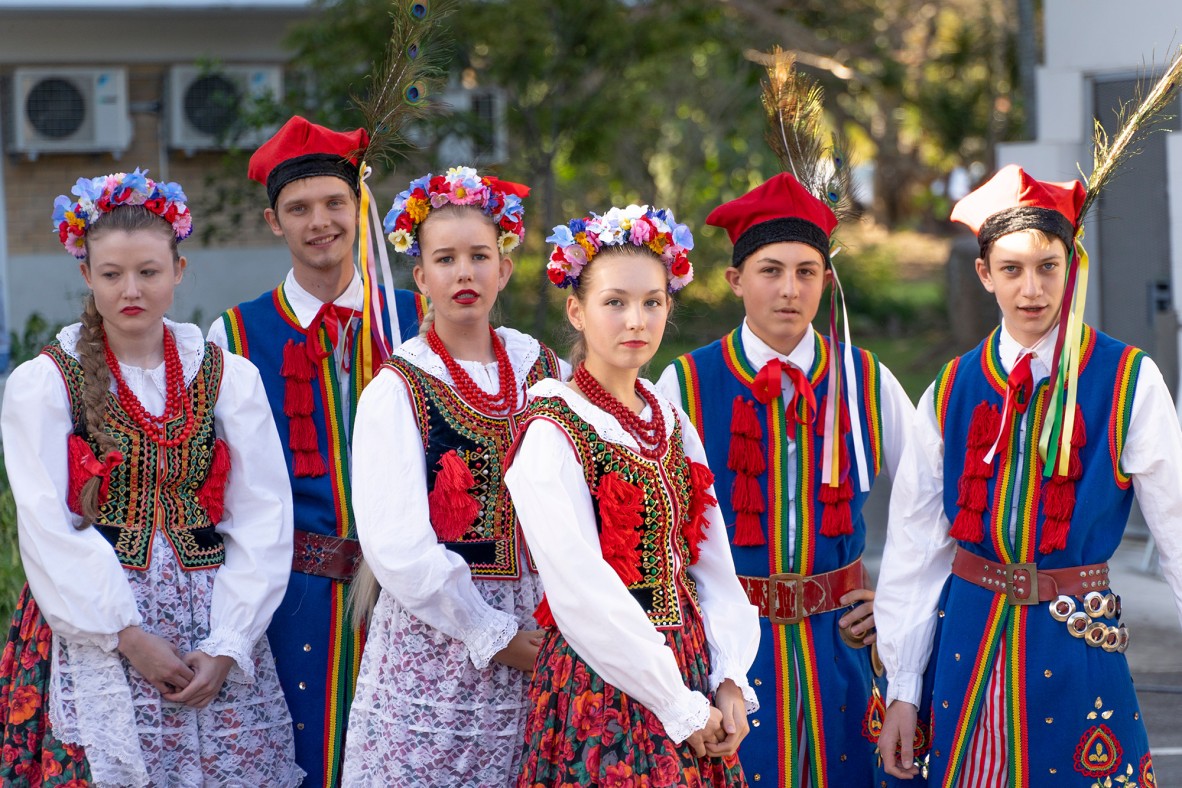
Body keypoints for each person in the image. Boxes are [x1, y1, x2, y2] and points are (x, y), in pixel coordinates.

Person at [875, 164, 1182, 787]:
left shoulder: (1127, 381)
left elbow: (1177, 524)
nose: (1032, 289)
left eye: (1048, 266)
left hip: (1078, 644)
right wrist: (904, 686)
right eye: (1011, 269)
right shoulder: (954, 387)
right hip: (966, 641)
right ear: (985, 274)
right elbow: (915, 543)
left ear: (1073, 266)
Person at [0, 170, 300, 786]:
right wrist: (126, 636)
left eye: (148, 272)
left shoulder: (226, 375)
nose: (130, 289)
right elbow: (46, 527)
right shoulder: (46, 380)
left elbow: (263, 513)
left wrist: (228, 644)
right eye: (111, 274)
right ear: (87, 275)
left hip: (212, 617)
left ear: (179, 272)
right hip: (94, 618)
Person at [655, 173, 917, 786]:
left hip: (842, 648)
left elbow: (926, 509)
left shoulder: (868, 381)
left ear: (827, 281)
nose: (789, 289)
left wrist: (896, 607)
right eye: (770, 270)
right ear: (735, 280)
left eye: (806, 272)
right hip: (731, 654)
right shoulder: (684, 386)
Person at [505, 204, 759, 786]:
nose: (635, 320)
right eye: (614, 302)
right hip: (603, 681)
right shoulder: (552, 427)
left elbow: (713, 565)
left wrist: (728, 680)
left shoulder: (669, 419)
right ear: (577, 310)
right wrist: (676, 703)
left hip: (691, 669)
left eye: (652, 302)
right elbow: (579, 590)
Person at [207, 116, 425, 786]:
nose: (320, 221)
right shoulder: (236, 333)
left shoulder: (418, 318)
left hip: (416, 593)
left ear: (359, 206)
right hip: (293, 594)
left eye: (335, 202)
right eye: (299, 209)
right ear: (274, 222)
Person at [340, 166, 565, 787]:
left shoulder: (543, 367)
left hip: (547, 629)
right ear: (421, 277)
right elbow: (396, 546)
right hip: (441, 639)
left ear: (504, 268)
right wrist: (490, 632)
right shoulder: (398, 386)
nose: (464, 273)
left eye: (478, 256)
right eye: (445, 258)